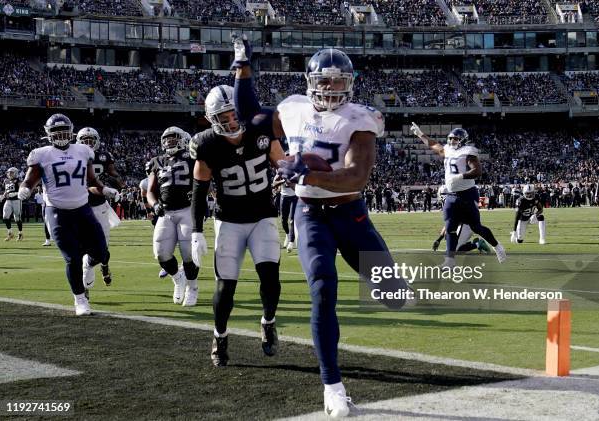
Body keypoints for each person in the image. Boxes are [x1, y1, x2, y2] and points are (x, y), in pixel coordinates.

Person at [234, 38, 411, 417]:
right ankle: (332, 384)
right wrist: (242, 68)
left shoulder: (360, 119)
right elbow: (250, 116)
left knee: (393, 295)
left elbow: (356, 177)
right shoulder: (293, 107)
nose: (332, 88)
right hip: (310, 212)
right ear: (311, 81)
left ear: (350, 82)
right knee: (322, 287)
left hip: (350, 215)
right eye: (325, 81)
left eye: (338, 81)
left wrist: (308, 171)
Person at [189, 82, 283, 367]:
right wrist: (196, 231)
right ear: (211, 120)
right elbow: (199, 190)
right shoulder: (206, 143)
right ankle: (220, 335)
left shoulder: (261, 129)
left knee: (270, 278)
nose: (231, 121)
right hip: (228, 220)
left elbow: (283, 163)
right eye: (223, 117)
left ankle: (268, 321)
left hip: (263, 215)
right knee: (225, 287)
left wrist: (296, 173)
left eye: (234, 114)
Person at [17, 114, 117, 315]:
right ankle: (80, 299)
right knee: (72, 258)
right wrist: (25, 188)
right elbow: (30, 180)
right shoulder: (42, 154)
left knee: (102, 252)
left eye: (63, 130)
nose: (60, 134)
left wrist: (104, 189)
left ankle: (89, 264)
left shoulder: (83, 151)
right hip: (57, 211)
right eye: (55, 131)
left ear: (71, 131)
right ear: (48, 134)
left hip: (83, 209)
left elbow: (90, 179)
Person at [410, 124, 506, 267]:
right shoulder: (448, 149)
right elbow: (434, 145)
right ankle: (450, 261)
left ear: (463, 140)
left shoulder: (468, 151)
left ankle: (497, 246)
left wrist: (460, 176)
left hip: (467, 193)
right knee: (450, 228)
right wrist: (420, 134)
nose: (452, 141)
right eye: (450, 138)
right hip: (451, 194)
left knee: (476, 227)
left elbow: (477, 171)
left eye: (455, 139)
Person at [146, 126, 199, 306]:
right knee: (161, 253)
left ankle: (192, 287)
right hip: (166, 212)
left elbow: (203, 178)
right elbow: (150, 191)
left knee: (188, 254)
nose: (169, 142)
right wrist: (154, 205)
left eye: (174, 138)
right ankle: (178, 278)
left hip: (186, 210)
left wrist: (199, 197)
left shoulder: (191, 157)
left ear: (183, 139)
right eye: (167, 139)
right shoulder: (157, 161)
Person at [76, 127, 124, 287]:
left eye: (91, 140)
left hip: (100, 205)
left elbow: (115, 175)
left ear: (96, 141)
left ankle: (104, 265)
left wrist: (114, 179)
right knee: (81, 246)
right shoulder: (74, 156)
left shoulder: (104, 156)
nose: (88, 143)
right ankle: (84, 286)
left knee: (103, 247)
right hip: (80, 205)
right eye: (84, 140)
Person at [1, 167, 24, 241]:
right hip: (8, 201)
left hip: (16, 200)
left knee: (17, 218)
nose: (9, 174)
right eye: (9, 172)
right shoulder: (6, 180)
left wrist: (14, 194)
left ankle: (20, 233)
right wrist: (3, 196)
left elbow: (22, 191)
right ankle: (10, 233)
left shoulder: (18, 180)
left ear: (15, 173)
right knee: (5, 216)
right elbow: (6, 190)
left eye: (11, 172)